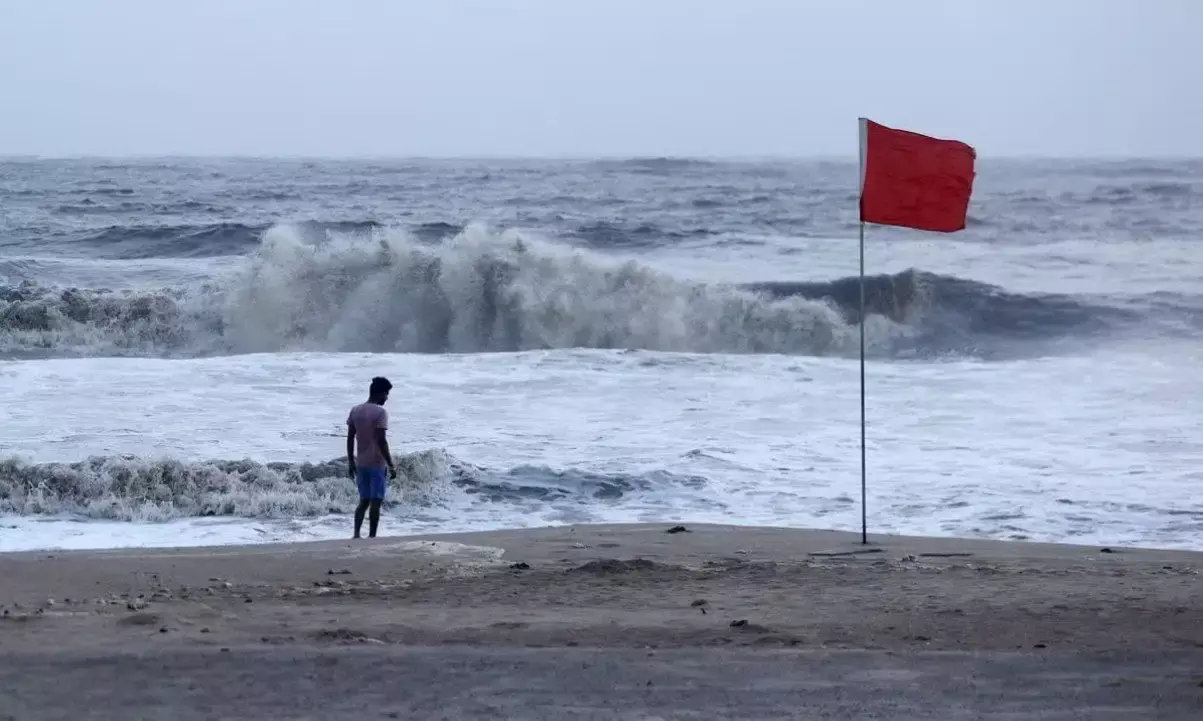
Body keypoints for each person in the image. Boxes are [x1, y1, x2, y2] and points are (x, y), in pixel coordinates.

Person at [346, 376, 397, 539]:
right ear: (380, 393)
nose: (387, 398)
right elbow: (381, 440)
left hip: (361, 463)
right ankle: (372, 536)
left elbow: (350, 437)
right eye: (386, 394)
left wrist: (350, 461)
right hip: (376, 463)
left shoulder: (355, 410)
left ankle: (356, 535)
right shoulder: (380, 412)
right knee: (376, 502)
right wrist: (391, 464)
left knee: (363, 501)